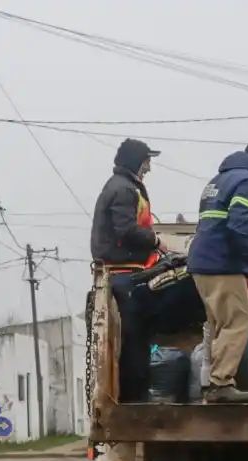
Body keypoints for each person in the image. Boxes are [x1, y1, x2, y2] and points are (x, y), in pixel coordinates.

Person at [187, 140, 248, 403]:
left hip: (203, 263)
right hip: (221, 264)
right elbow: (240, 225)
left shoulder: (218, 180)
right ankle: (220, 384)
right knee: (239, 321)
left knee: (219, 325)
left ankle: (210, 383)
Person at [91, 138, 166, 402]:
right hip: (123, 275)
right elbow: (126, 230)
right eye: (146, 161)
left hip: (128, 272)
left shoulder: (124, 186)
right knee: (134, 339)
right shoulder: (124, 190)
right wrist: (155, 241)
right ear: (136, 161)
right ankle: (134, 400)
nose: (148, 168)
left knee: (136, 337)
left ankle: (137, 395)